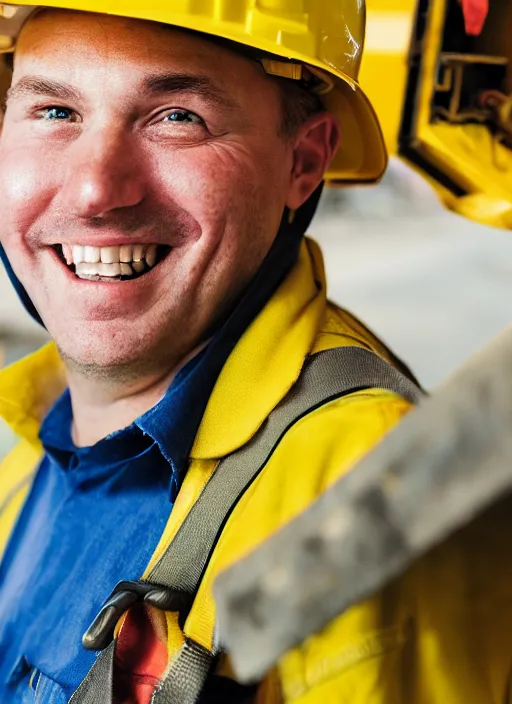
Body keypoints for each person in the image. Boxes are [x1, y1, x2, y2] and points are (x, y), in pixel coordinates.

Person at [2, 2, 506, 704]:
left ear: (304, 161)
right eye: (55, 111)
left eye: (179, 116)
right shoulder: (40, 441)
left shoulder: (370, 505)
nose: (95, 191)